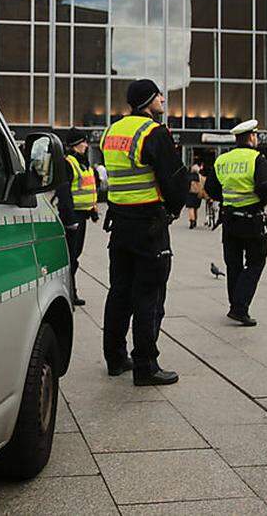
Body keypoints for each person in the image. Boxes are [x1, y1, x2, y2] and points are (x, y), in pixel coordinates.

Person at [100, 79, 187, 386]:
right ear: (148, 100)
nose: (163, 99)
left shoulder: (111, 131)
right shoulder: (153, 133)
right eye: (159, 95)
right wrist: (175, 209)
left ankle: (114, 357)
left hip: (119, 224)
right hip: (149, 225)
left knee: (119, 292)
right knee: (149, 295)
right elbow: (174, 179)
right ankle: (145, 365)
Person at [204, 119, 267, 326]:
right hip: (252, 220)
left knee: (233, 263)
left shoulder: (223, 160)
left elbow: (212, 189)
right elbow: (266, 191)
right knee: (255, 263)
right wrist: (258, 200)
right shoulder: (257, 159)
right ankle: (240, 306)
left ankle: (234, 305)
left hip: (229, 221)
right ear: (252, 137)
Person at [55, 128, 98, 307]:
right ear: (74, 145)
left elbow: (87, 190)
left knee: (75, 256)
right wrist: (70, 219)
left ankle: (71, 293)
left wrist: (93, 209)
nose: (86, 145)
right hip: (72, 218)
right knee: (70, 257)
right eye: (83, 142)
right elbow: (64, 193)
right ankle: (68, 294)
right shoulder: (68, 163)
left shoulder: (82, 162)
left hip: (82, 215)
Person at [186, 161, 205, 229]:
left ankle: (192, 221)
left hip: (190, 193)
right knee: (196, 208)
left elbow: (185, 185)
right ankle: (195, 220)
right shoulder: (200, 177)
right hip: (198, 194)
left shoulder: (188, 176)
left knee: (191, 208)